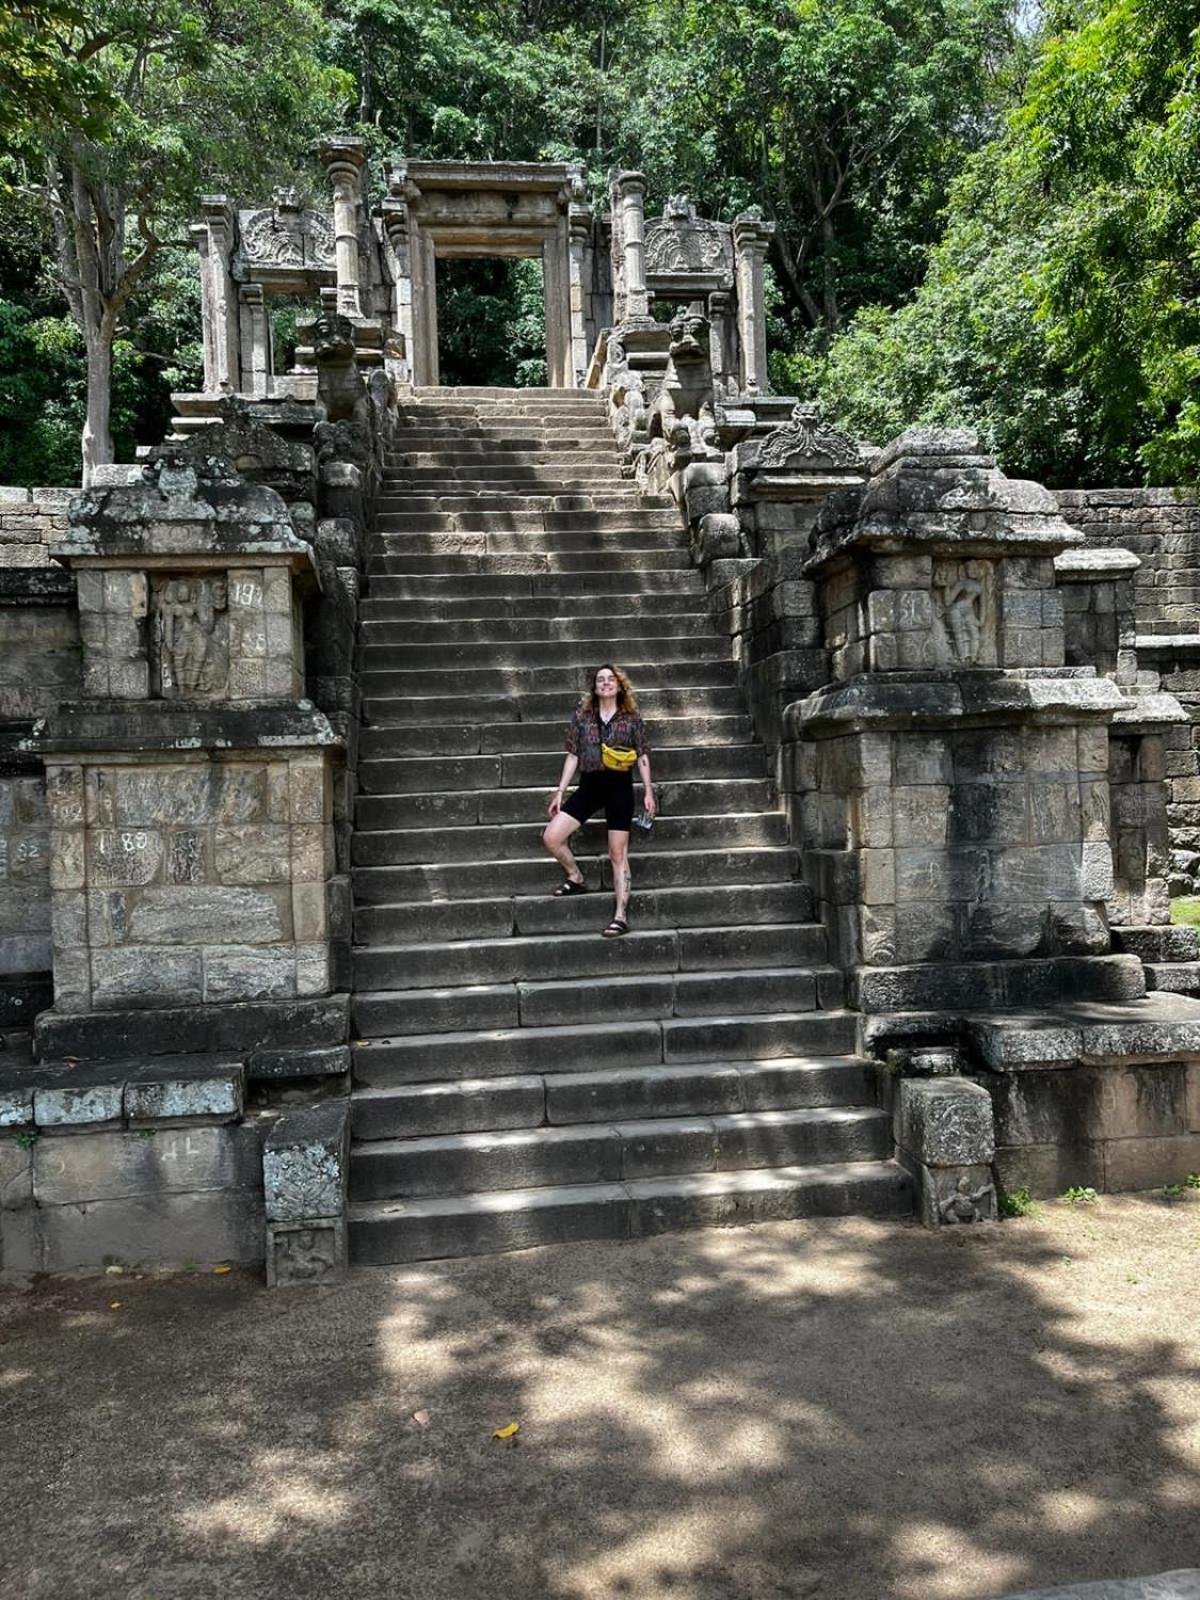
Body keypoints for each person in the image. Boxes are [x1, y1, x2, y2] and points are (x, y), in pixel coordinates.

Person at [542, 662, 656, 937]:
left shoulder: (631, 718)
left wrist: (649, 791)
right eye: (600, 679)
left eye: (610, 679)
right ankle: (576, 876)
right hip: (590, 785)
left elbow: (642, 755)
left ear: (619, 685)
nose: (605, 683)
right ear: (595, 687)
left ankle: (620, 916)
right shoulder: (582, 718)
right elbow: (572, 755)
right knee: (551, 837)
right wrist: (560, 792)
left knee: (618, 853)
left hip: (620, 787)